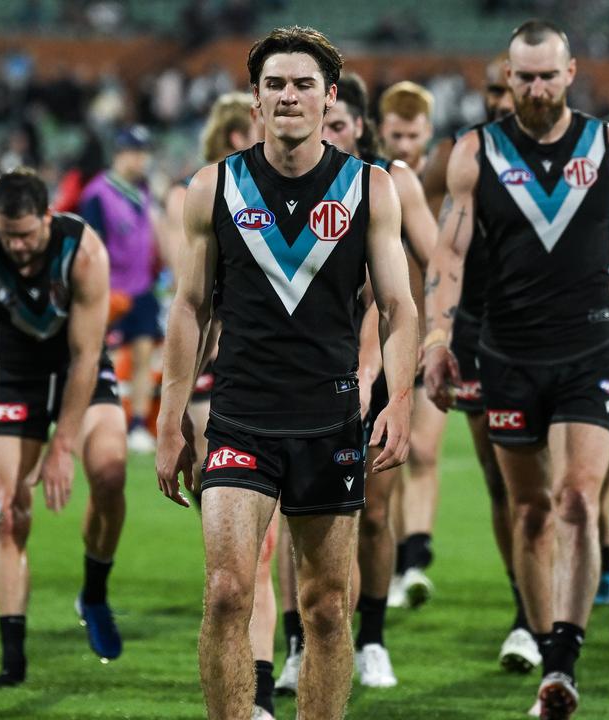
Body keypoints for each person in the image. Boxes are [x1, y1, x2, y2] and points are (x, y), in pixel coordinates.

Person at [154, 26, 416, 718]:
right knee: (226, 594)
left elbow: (399, 308)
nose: (289, 96)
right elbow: (187, 309)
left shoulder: (370, 188)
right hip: (241, 414)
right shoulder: (214, 186)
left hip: (330, 419)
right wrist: (169, 417)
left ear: (330, 96)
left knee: (328, 608)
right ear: (254, 97)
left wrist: (401, 401)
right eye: (275, 84)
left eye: (303, 84)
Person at [422, 19, 609, 718]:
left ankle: (562, 660)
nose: (533, 88)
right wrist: (438, 336)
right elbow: (448, 255)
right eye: (521, 76)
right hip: (506, 355)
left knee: (579, 500)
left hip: (588, 349)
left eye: (545, 74)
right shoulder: (476, 153)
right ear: (508, 79)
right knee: (527, 509)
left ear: (570, 73)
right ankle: (536, 631)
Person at [0, 169, 128, 686]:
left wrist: (62, 446)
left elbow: (84, 356)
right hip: (15, 378)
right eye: (9, 236)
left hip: (77, 369)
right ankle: (13, 661)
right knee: (8, 513)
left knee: (110, 472)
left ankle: (94, 592)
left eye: (28, 234)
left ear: (48, 218)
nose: (20, 246)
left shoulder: (84, 251)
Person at [415, 54, 543, 674]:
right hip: (480, 333)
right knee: (502, 481)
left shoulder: (577, 151)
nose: (502, 98)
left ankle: (561, 609)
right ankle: (526, 613)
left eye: (511, 86)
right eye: (494, 89)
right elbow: (437, 252)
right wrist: (435, 331)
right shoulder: (458, 156)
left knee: (560, 490)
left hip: (556, 336)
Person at [163, 91, 282, 720]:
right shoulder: (207, 197)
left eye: (248, 130)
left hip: (289, 391)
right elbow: (188, 299)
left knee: (267, 559)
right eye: (231, 133)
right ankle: (245, 694)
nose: (242, 141)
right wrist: (171, 410)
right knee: (236, 569)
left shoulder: (304, 197)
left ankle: (259, 692)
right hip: (218, 383)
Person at [315, 70, 436, 689]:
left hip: (383, 363)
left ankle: (374, 637)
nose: (327, 134)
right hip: (318, 365)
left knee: (376, 509)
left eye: (337, 124)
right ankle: (297, 641)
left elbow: (435, 261)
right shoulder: (296, 185)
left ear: (358, 126)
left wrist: (432, 338)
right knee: (305, 512)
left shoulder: (387, 185)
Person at [376, 79, 444, 610]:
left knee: (423, 448)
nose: (403, 145)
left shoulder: (441, 178)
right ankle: (398, 556)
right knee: (391, 454)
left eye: (412, 135)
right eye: (395, 135)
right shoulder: (375, 182)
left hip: (431, 333)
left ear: (428, 133)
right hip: (384, 336)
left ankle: (416, 555)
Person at [78, 125, 163, 454]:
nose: (141, 159)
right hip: (111, 290)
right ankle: (99, 420)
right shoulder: (97, 194)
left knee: (143, 356)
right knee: (104, 360)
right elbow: (93, 244)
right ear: (120, 154)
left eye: (144, 153)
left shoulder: (142, 190)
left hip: (142, 287)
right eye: (136, 152)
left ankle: (138, 424)